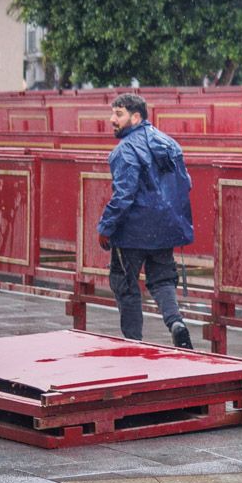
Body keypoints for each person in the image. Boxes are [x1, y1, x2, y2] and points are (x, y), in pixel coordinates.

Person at [96, 93, 195, 348]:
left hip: (132, 232)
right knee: (162, 279)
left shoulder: (124, 151)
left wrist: (106, 228)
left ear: (136, 116)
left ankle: (133, 343)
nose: (112, 120)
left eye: (119, 114)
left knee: (126, 284)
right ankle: (175, 322)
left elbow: (124, 196)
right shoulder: (170, 144)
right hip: (164, 228)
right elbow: (186, 184)